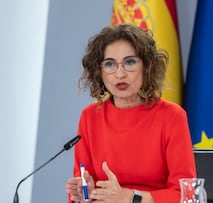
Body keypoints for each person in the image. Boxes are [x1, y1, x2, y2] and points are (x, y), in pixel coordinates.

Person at [65, 23, 196, 203]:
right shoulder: (90, 117)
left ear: (147, 66)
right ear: (99, 71)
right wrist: (85, 194)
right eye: (110, 64)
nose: (120, 74)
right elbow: (82, 188)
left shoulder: (172, 116)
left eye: (130, 62)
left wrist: (131, 197)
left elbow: (186, 194)